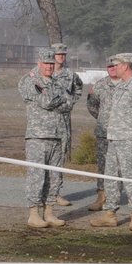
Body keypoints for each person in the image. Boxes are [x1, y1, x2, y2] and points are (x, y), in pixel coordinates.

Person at [90, 53, 132, 232]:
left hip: (129, 139)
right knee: (111, 179)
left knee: (131, 179)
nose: (114, 67)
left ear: (125, 66)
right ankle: (110, 214)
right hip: (114, 139)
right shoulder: (120, 86)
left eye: (117, 65)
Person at [18, 48, 71, 229]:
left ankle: (49, 212)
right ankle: (34, 214)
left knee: (54, 176)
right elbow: (45, 101)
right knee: (37, 175)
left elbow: (69, 103)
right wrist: (58, 101)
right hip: (38, 136)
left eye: (51, 63)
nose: (49, 66)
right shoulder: (31, 81)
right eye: (46, 63)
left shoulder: (56, 82)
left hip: (57, 135)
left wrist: (56, 100)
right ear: (38, 63)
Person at [86, 56, 122, 211]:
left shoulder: (127, 84)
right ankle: (101, 198)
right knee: (102, 165)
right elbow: (92, 106)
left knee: (120, 166)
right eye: (109, 67)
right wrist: (102, 119)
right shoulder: (100, 85)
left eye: (114, 66)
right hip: (103, 133)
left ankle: (115, 198)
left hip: (121, 133)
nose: (112, 69)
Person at [50, 42, 83, 206]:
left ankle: (55, 193)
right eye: (58, 54)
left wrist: (70, 103)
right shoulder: (44, 72)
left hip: (63, 120)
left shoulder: (70, 73)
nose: (61, 57)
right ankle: (43, 193)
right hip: (46, 121)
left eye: (63, 54)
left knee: (59, 157)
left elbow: (79, 87)